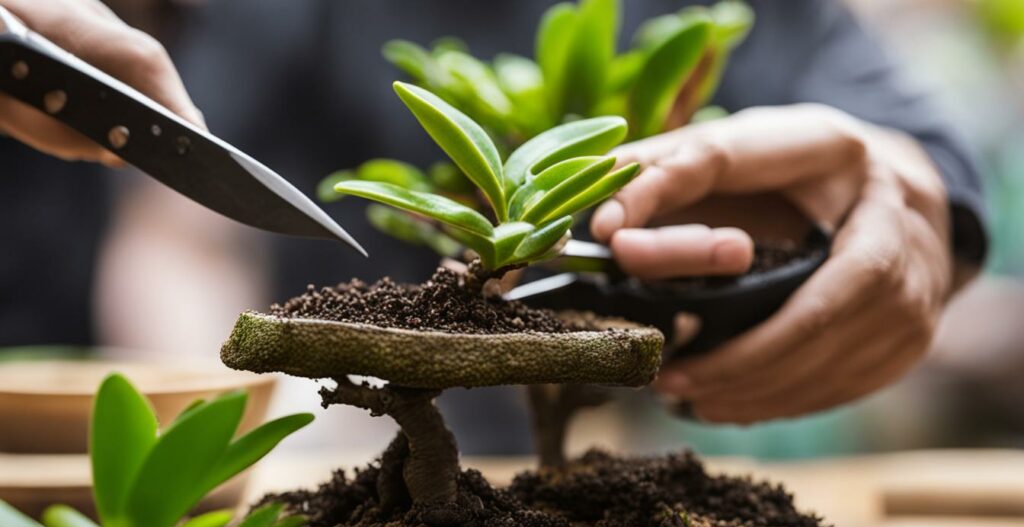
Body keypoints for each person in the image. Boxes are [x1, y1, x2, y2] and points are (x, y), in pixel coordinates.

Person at [0, 0, 986, 428]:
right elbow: (180, 237)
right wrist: (273, 423)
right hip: (338, 433)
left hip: (596, 444)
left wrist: (906, 208)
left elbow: (916, 160)